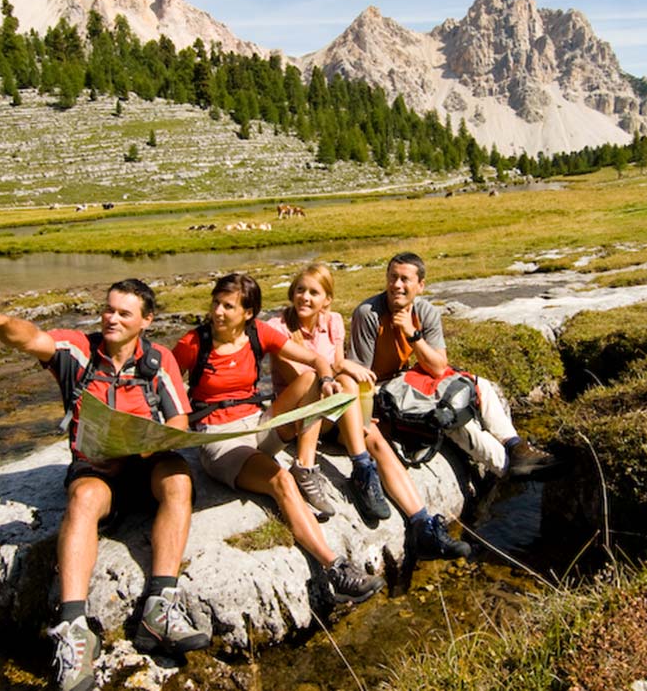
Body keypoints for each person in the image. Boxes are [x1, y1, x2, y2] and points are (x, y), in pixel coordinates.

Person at [0, 279, 210, 691]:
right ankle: (74, 628)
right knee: (83, 497)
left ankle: (159, 607)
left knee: (178, 477)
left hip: (146, 467)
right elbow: (32, 340)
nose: (111, 318)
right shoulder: (79, 350)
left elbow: (179, 420)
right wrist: (0, 321)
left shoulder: (159, 358)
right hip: (98, 472)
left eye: (123, 313)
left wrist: (150, 445)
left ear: (146, 320)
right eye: (108, 309)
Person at [174, 273, 385, 603]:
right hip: (221, 437)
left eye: (228, 306)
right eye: (216, 303)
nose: (217, 311)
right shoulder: (193, 343)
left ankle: (306, 465)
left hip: (258, 423)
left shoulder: (258, 332)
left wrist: (328, 380)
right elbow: (163, 384)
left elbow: (317, 360)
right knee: (281, 482)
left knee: (312, 379)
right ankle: (336, 569)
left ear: (248, 313)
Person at [265, 263, 471, 559]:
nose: (305, 298)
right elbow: (307, 376)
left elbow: (336, 363)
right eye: (300, 290)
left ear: (327, 300)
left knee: (375, 439)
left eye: (314, 292)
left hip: (333, 408)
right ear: (291, 293)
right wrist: (343, 375)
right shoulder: (278, 328)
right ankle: (361, 468)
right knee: (344, 383)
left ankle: (421, 524)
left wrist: (351, 384)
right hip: (300, 414)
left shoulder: (333, 321)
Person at [348, 252, 557, 479]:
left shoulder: (425, 311)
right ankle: (508, 468)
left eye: (404, 279)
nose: (396, 285)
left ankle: (516, 447)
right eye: (392, 277)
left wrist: (412, 335)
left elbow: (438, 366)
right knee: (448, 413)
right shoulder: (368, 314)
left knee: (479, 385)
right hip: (382, 388)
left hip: (407, 378)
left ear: (420, 285)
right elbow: (361, 375)